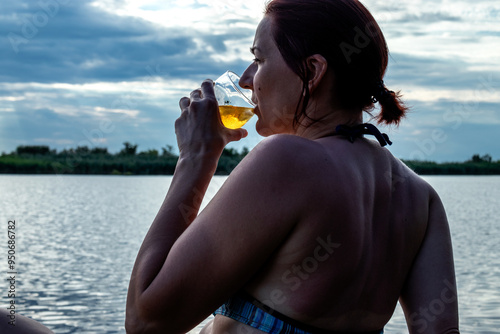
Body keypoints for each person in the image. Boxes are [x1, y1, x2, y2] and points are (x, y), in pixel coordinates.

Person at [125, 0, 460, 333]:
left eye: (259, 59)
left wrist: (195, 159)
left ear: (312, 72)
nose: (245, 79)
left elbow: (146, 322)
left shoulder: (286, 159)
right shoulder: (421, 198)